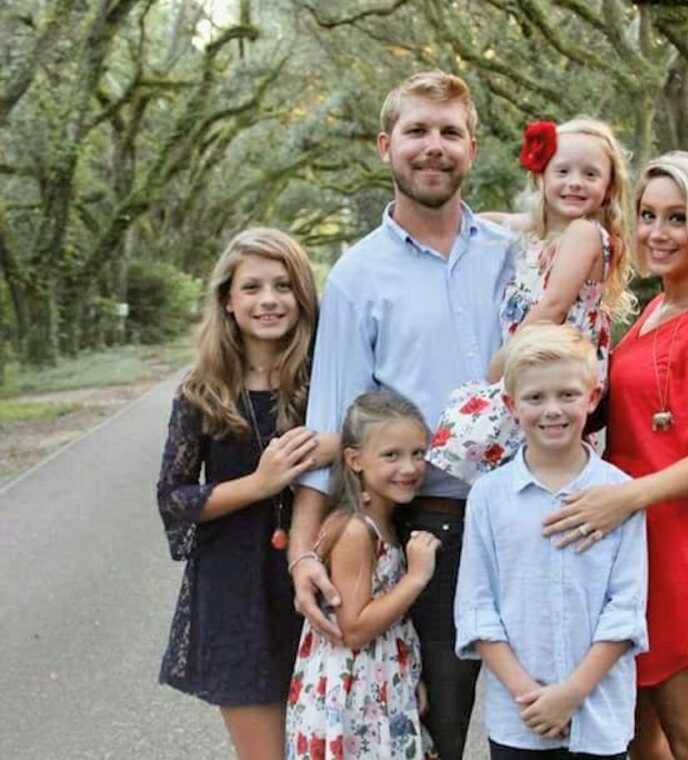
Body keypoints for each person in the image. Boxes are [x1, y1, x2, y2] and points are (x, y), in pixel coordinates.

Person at [289, 69, 515, 760]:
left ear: (472, 149)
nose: (433, 146)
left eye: (450, 132)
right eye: (417, 130)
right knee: (433, 726)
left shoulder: (515, 256)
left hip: (525, 513)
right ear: (386, 146)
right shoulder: (358, 276)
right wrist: (303, 551)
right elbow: (335, 428)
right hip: (429, 527)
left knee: (543, 713)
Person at [543, 152, 688, 760]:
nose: (657, 233)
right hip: (640, 546)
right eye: (648, 215)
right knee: (638, 738)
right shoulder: (659, 307)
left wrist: (625, 497)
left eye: (678, 218)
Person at [157, 227, 337, 760]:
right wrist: (259, 484)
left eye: (283, 286)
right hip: (236, 591)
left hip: (322, 579)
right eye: (252, 287)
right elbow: (174, 498)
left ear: (303, 295)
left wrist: (339, 442)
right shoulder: (203, 391)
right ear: (228, 302)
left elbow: (381, 445)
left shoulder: (325, 379)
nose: (269, 300)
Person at [455, 323, 648, 760]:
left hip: (598, 714)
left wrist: (572, 694)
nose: (553, 410)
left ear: (593, 397)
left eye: (567, 395)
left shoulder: (619, 494)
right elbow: (477, 607)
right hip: (520, 718)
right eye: (536, 398)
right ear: (511, 404)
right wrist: (530, 695)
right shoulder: (489, 497)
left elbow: (626, 609)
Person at [428, 117, 634, 483]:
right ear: (541, 176)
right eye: (563, 171)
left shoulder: (585, 233)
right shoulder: (539, 232)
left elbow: (553, 307)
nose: (574, 182)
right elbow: (498, 221)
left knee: (464, 423)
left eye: (590, 174)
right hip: (535, 361)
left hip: (554, 362)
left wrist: (500, 365)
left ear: (608, 187)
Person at [285, 390, 442, 760]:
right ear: (354, 460)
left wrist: (405, 677)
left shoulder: (384, 519)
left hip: (379, 687)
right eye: (392, 455)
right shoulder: (356, 529)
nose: (409, 467)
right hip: (352, 702)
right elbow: (354, 629)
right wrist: (416, 577)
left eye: (418, 453)